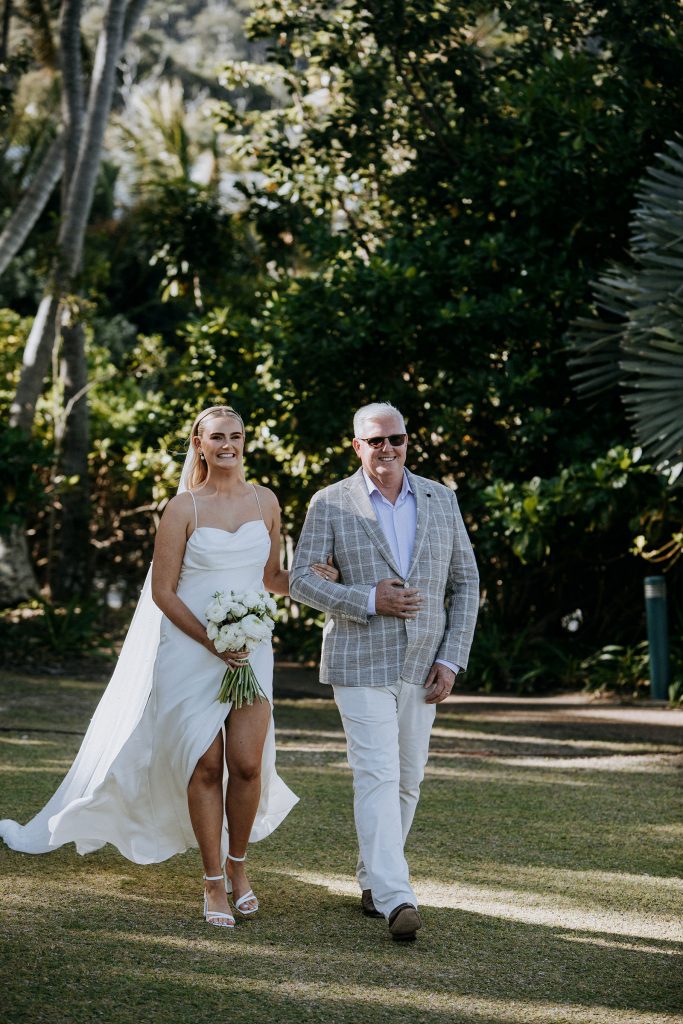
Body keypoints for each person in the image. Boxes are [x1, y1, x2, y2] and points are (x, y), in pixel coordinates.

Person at [0, 404, 336, 929]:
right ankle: (211, 882)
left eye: (237, 436)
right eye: (217, 437)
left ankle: (239, 868)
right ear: (199, 444)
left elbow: (270, 575)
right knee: (205, 765)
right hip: (190, 651)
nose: (229, 445)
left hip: (250, 649)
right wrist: (211, 641)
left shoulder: (266, 501)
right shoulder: (182, 509)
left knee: (247, 764)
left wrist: (309, 577)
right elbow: (162, 592)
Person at [290, 401, 479, 942]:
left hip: (425, 660)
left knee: (408, 777)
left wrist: (451, 657)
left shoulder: (441, 499)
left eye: (395, 439)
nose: (387, 449)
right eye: (375, 441)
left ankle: (373, 878)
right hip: (358, 658)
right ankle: (399, 898)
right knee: (376, 772)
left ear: (406, 441)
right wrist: (368, 599)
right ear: (357, 446)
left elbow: (465, 583)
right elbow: (302, 579)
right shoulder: (330, 503)